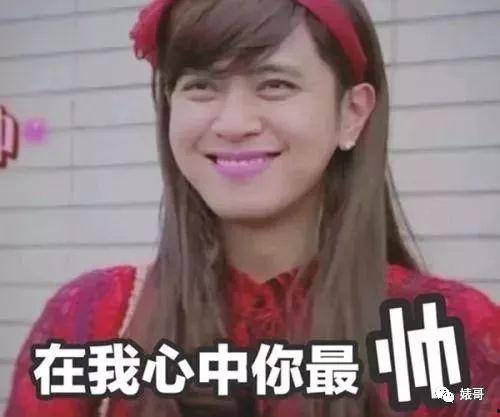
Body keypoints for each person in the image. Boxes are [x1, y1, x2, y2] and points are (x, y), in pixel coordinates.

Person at [4, 0, 499, 416]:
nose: (233, 123)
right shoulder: (93, 323)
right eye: (201, 86)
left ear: (352, 114)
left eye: (275, 84)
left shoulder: (445, 334)